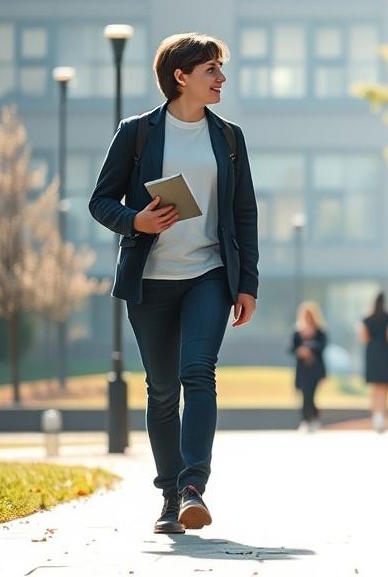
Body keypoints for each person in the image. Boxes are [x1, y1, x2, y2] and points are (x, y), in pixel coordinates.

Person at [88, 32, 258, 534]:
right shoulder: (137, 133)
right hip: (151, 281)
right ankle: (169, 496)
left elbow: (244, 214)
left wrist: (247, 282)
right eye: (211, 70)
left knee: (197, 373)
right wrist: (135, 221)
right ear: (180, 77)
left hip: (209, 274)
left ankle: (192, 487)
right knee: (161, 390)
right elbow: (100, 201)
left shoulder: (228, 138)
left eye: (220, 69)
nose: (221, 78)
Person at [359, 292, 388, 433]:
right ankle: (381, 417)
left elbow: (364, 338)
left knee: (374, 388)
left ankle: (376, 416)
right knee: (384, 387)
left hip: (372, 354)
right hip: (385, 353)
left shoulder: (367, 318)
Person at [290, 301, 328, 432]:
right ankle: (306, 420)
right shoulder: (297, 332)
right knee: (305, 395)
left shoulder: (320, 332)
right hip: (302, 370)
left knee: (311, 395)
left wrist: (310, 349)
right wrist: (300, 351)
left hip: (315, 369)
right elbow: (291, 348)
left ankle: (313, 419)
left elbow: (322, 347)